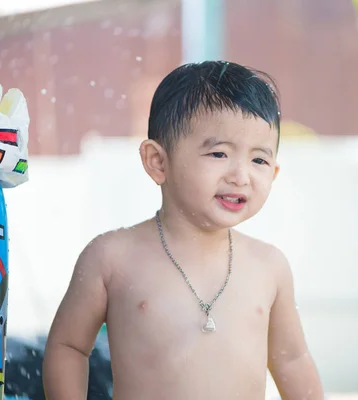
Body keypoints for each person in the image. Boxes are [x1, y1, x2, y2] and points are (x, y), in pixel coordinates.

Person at [42, 61, 324, 400]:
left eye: (259, 160)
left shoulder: (269, 266)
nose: (241, 175)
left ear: (274, 172)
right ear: (158, 162)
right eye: (219, 153)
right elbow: (68, 347)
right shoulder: (112, 258)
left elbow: (292, 360)